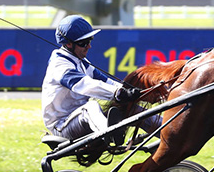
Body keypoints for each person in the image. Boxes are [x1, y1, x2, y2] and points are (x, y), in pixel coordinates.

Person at [41, 15, 157, 143]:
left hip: (81, 120)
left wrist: (132, 91)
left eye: (90, 40)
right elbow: (86, 85)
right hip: (62, 128)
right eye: (83, 43)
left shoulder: (81, 61)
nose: (89, 46)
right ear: (68, 44)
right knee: (90, 107)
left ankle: (170, 131)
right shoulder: (59, 65)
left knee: (133, 109)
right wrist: (118, 93)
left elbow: (106, 82)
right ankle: (109, 134)